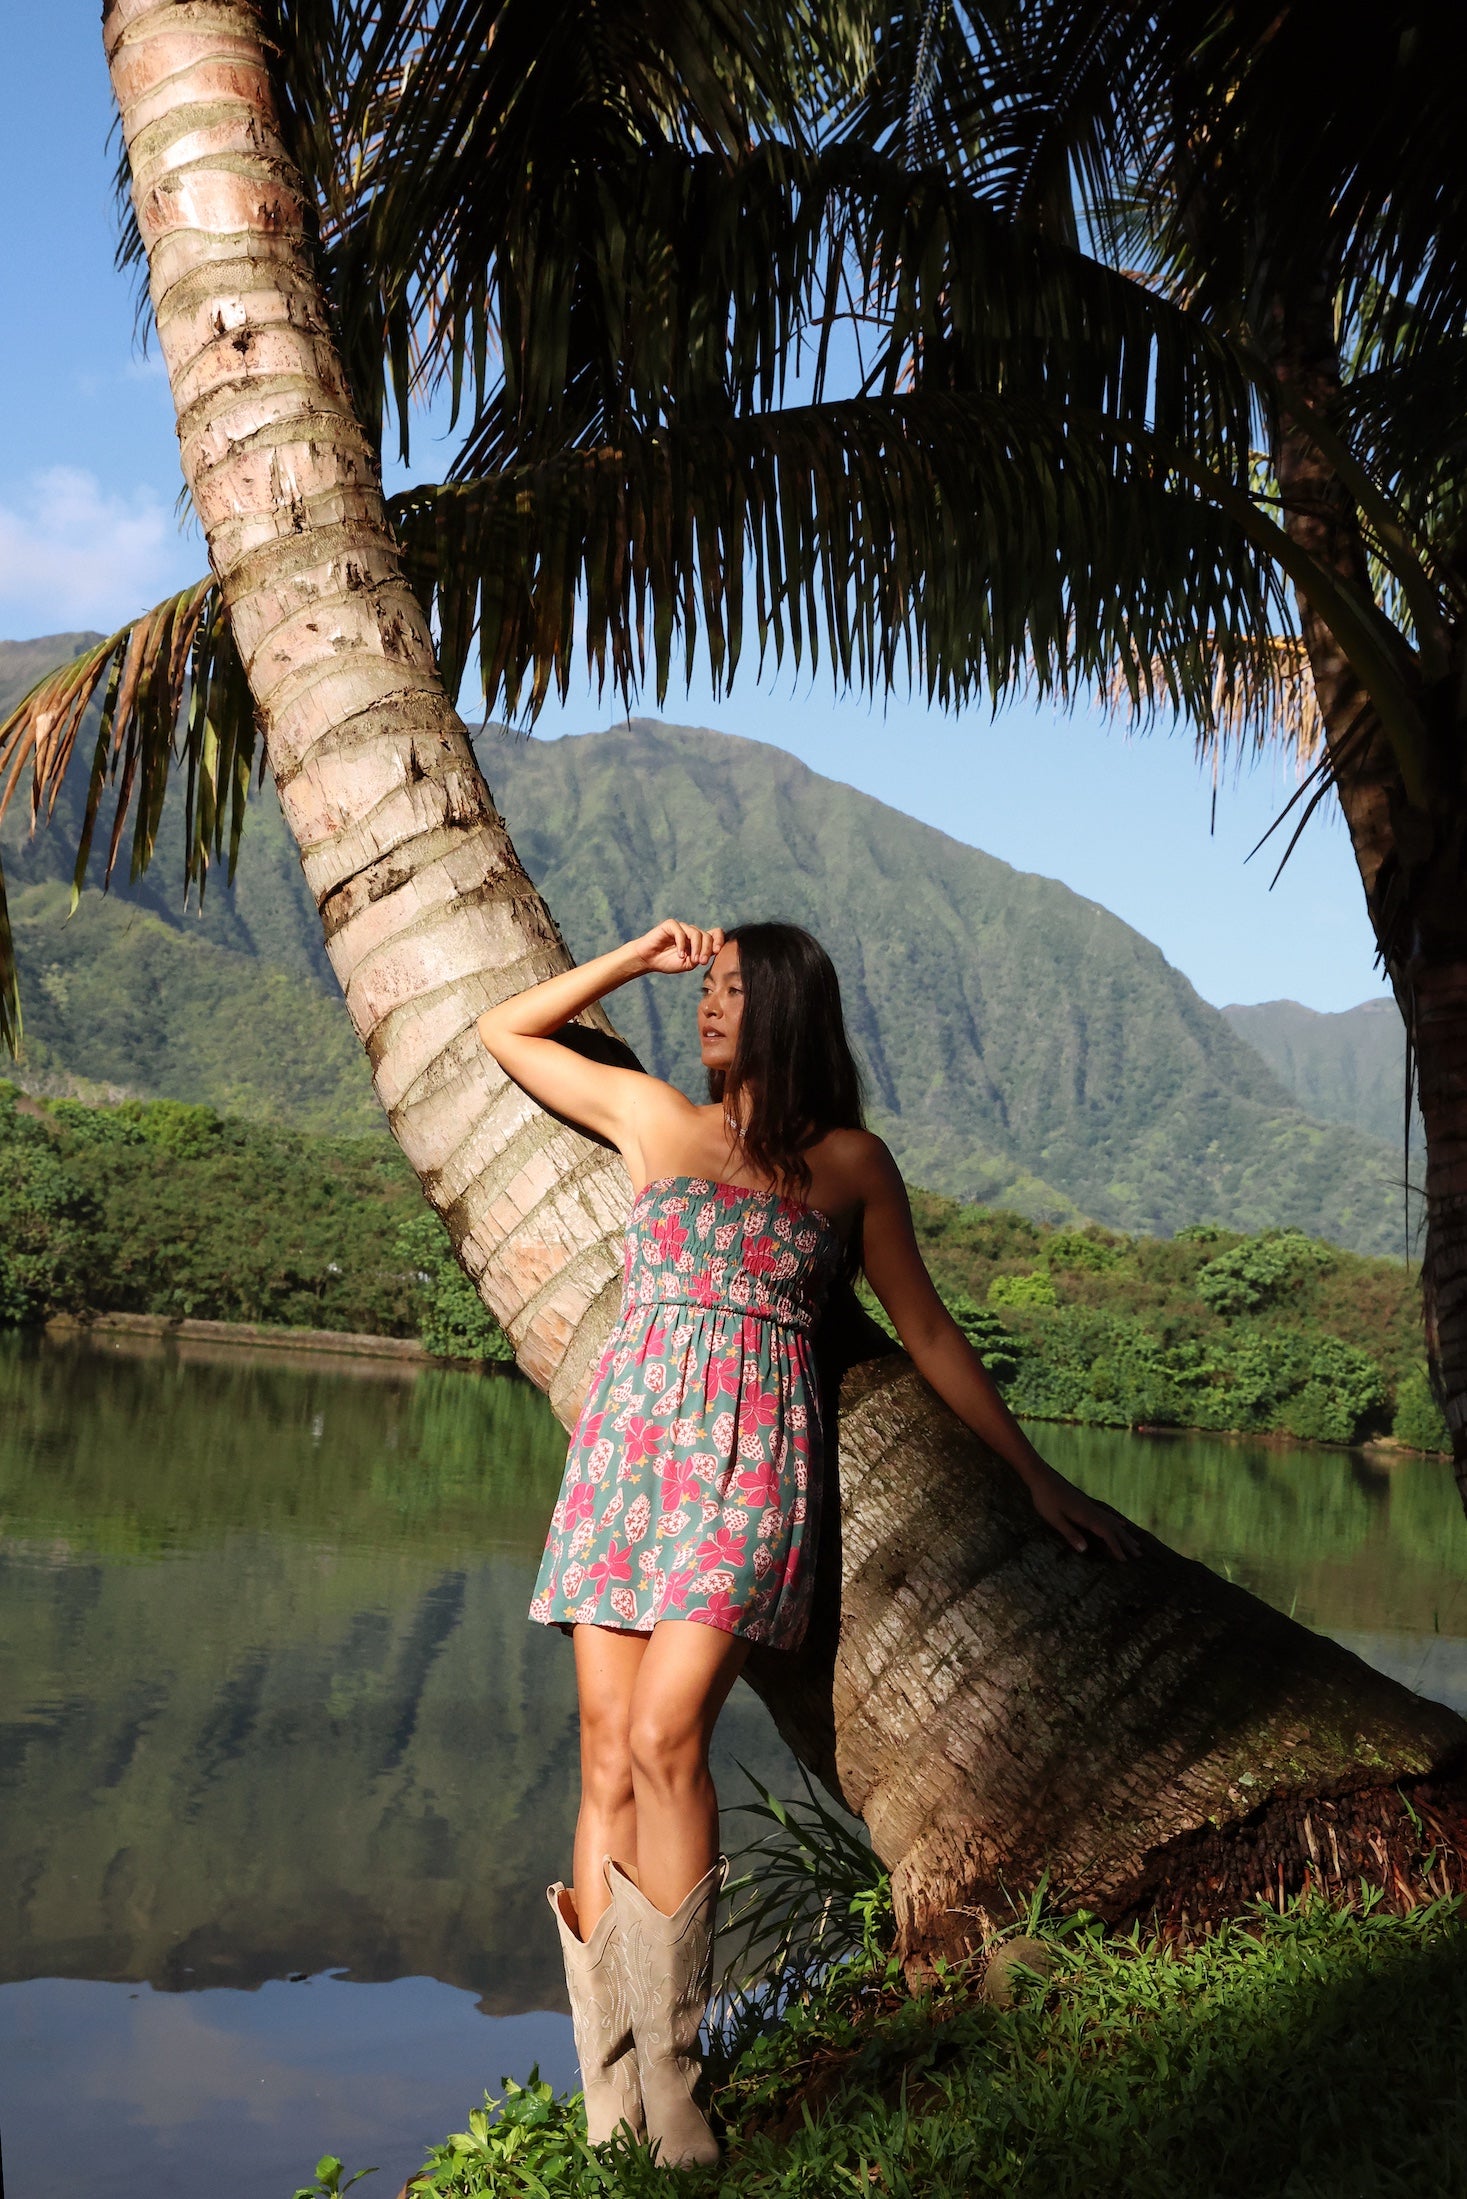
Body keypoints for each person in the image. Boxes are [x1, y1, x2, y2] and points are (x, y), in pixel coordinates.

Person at [476, 917, 1137, 2167]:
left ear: (786, 1008)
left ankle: (673, 2078)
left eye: (730, 990)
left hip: (749, 1476)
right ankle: (607, 2092)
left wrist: (1034, 1473)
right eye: (706, 988)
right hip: (627, 1461)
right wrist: (634, 957)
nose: (707, 1006)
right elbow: (501, 1028)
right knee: (605, 1754)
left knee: (667, 1734)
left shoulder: (849, 1167)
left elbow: (927, 1331)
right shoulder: (656, 1119)